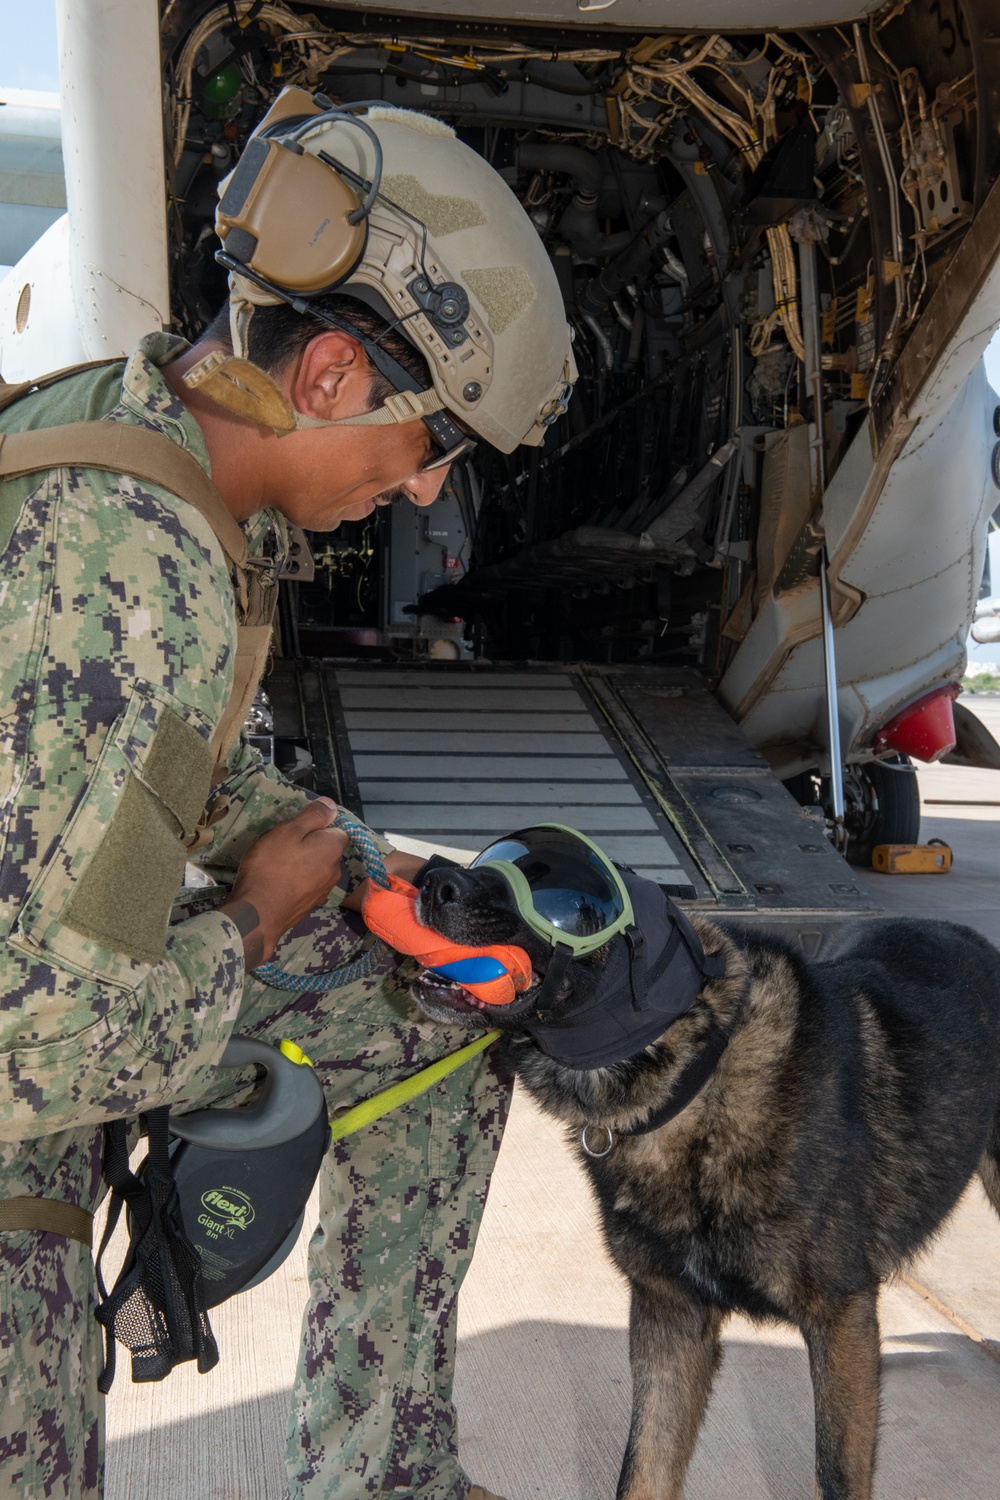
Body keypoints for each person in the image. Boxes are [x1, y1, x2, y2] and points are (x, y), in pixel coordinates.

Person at [0, 98, 574, 1499]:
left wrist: (337, 859)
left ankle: (379, 1469)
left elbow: (151, 781)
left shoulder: (123, 438)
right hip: (29, 1051)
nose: (425, 488)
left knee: (427, 1013)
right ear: (327, 374)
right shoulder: (137, 569)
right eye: (434, 443)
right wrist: (257, 920)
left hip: (51, 973)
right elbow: (42, 1046)